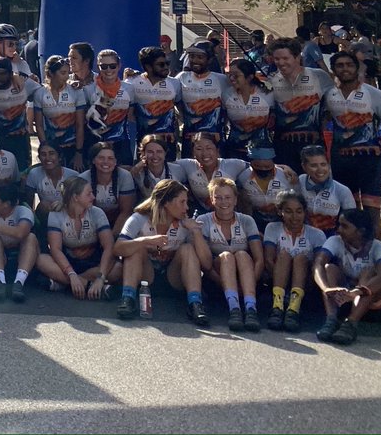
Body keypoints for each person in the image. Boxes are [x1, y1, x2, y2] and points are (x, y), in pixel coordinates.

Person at [325, 49, 381, 239]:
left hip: (370, 162)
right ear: (333, 70)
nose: (345, 69)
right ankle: (353, 258)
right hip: (341, 161)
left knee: (373, 215)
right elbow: (324, 128)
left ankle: (379, 259)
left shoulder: (373, 93)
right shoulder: (328, 95)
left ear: (357, 68)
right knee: (348, 214)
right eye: (340, 65)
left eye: (349, 65)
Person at [114, 178, 211, 326]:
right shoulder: (139, 218)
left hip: (173, 278)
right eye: (182, 202)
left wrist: (196, 232)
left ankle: (195, 304)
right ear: (166, 202)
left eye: (186, 202)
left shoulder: (185, 224)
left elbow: (207, 264)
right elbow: (118, 248)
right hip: (146, 278)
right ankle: (128, 298)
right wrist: (145, 241)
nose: (186, 208)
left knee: (187, 249)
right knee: (135, 247)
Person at [313, 208, 381, 346]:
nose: (338, 230)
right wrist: (326, 288)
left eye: (344, 226)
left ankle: (351, 324)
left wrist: (358, 291)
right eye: (339, 225)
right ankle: (331, 319)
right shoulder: (335, 241)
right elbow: (318, 264)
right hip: (346, 300)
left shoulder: (378, 247)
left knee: (368, 273)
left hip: (377, 307)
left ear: (360, 231)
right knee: (330, 269)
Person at [196, 176, 263, 331]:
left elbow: (259, 259)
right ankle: (234, 309)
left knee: (241, 254)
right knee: (227, 256)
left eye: (227, 197)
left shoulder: (247, 221)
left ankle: (251, 308)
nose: (223, 202)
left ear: (235, 200)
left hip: (246, 279)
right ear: (211, 200)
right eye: (218, 198)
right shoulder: (203, 220)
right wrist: (224, 283)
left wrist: (249, 283)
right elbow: (205, 264)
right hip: (217, 278)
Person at [37, 175, 119, 301]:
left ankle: (63, 284)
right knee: (41, 260)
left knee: (118, 269)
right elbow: (55, 249)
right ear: (76, 197)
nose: (93, 197)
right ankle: (86, 285)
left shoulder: (97, 213)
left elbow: (109, 246)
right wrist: (71, 275)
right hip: (67, 262)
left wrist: (100, 278)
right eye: (89, 194)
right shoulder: (56, 214)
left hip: (93, 262)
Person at [267, 38, 335, 173]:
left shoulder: (318, 76)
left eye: (285, 58)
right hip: (283, 145)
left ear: (297, 57)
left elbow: (333, 106)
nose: (281, 63)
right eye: (277, 59)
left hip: (313, 143)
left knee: (315, 185)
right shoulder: (271, 81)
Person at [262, 190, 325, 332]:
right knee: (284, 256)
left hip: (305, 281)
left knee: (300, 258)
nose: (294, 217)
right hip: (278, 278)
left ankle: (293, 309)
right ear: (280, 212)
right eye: (289, 211)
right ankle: (277, 307)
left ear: (304, 212)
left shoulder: (317, 234)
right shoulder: (272, 228)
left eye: (299, 211)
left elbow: (318, 265)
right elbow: (268, 260)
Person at [33, 55, 89, 170]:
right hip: (52, 145)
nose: (67, 76)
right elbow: (38, 125)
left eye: (68, 73)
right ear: (51, 73)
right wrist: (45, 149)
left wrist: (79, 152)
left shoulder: (76, 91)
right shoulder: (40, 93)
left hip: (72, 146)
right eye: (63, 73)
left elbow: (80, 125)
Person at [125, 46, 182, 160]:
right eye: (161, 64)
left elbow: (182, 112)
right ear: (148, 67)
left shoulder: (175, 83)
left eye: (167, 63)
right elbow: (128, 114)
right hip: (143, 141)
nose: (166, 67)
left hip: (167, 141)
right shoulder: (132, 83)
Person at [176, 43, 230, 159]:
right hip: (189, 138)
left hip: (215, 138)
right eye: (191, 56)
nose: (195, 60)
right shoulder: (181, 77)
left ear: (210, 59)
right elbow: (174, 99)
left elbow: (228, 107)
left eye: (200, 57)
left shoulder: (221, 79)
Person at [174, 133, 246, 213]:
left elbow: (254, 166)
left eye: (209, 148)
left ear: (217, 150)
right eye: (199, 149)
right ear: (193, 152)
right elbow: (165, 165)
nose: (205, 153)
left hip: (229, 212)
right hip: (200, 212)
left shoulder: (233, 165)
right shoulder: (187, 165)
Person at [86, 49, 133, 166]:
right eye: (104, 66)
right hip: (96, 143)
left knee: (125, 176)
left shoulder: (129, 88)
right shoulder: (88, 89)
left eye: (112, 66)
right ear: (98, 67)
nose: (108, 70)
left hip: (121, 143)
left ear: (119, 66)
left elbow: (132, 115)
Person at [237, 143, 299, 231]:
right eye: (257, 166)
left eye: (267, 166)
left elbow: (297, 199)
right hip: (254, 220)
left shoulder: (287, 177)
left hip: (282, 220)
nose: (263, 169)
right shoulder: (243, 177)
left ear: (273, 162)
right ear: (251, 163)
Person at [299, 144, 357, 236]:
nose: (320, 169)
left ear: (329, 165)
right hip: (301, 235)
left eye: (323, 164)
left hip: (330, 237)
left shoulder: (342, 190)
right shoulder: (299, 182)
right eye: (313, 165)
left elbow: (352, 222)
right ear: (304, 167)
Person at [223, 59, 274, 156]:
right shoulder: (226, 94)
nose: (231, 78)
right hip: (235, 147)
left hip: (262, 149)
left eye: (236, 75)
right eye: (229, 74)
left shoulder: (267, 93)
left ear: (250, 77)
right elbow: (224, 120)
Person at [24, 141, 82, 227]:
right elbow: (28, 203)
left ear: (59, 157)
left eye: (51, 154)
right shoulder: (34, 174)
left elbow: (80, 202)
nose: (47, 158)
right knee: (43, 205)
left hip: (68, 213)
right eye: (43, 154)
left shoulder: (73, 175)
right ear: (39, 158)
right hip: (46, 215)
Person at [85, 141, 135, 230]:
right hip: (92, 221)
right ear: (93, 160)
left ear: (115, 161)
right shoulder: (83, 179)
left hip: (118, 220)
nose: (105, 162)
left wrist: (112, 236)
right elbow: (85, 211)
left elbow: (126, 211)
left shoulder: (125, 176)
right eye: (101, 158)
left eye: (110, 158)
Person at [129, 133, 178, 199]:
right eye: (150, 152)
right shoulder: (138, 172)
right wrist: (136, 169)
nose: (155, 156)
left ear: (165, 153)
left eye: (159, 151)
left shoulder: (177, 170)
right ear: (143, 153)